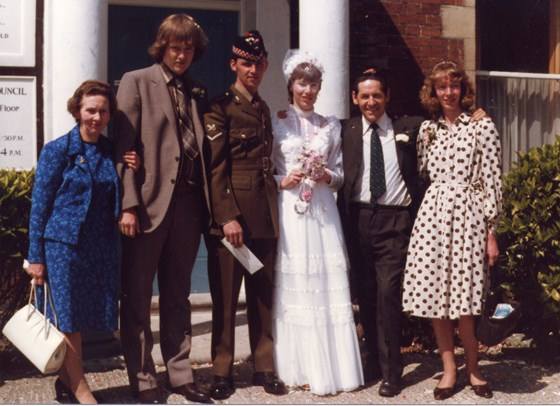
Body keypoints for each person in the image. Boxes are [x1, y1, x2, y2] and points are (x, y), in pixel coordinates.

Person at [112, 14, 212, 404]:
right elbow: (123, 149)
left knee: (177, 294)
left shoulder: (197, 89)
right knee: (137, 296)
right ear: (162, 47)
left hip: (188, 205)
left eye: (188, 48)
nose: (182, 54)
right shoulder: (137, 81)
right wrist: (130, 205)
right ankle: (142, 378)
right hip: (148, 205)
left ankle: (181, 373)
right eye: (175, 47)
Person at [27, 80, 139, 404]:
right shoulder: (57, 150)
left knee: (84, 316)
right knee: (69, 317)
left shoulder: (109, 151)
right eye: (91, 110)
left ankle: (65, 382)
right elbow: (40, 205)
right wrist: (36, 256)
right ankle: (79, 388)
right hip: (62, 246)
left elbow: (117, 192)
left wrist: (134, 166)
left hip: (98, 247)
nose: (97, 117)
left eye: (103, 111)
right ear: (77, 110)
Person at [402, 61, 502, 401]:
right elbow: (419, 173)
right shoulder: (427, 131)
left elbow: (492, 180)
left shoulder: (481, 126)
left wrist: (491, 231)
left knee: (467, 298)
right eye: (441, 87)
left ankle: (474, 368)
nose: (448, 92)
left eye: (454, 86)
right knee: (436, 298)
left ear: (463, 90)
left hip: (470, 217)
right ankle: (448, 370)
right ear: (433, 92)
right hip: (433, 218)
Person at [270, 50, 364, 395]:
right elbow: (268, 168)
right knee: (297, 279)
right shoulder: (276, 121)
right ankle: (297, 366)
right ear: (291, 85)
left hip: (322, 209)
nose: (307, 89)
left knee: (324, 280)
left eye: (313, 84)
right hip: (292, 206)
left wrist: (325, 174)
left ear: (320, 87)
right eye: (301, 82)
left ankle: (332, 368)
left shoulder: (331, 126)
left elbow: (341, 173)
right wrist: (284, 177)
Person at [204, 30, 286, 400]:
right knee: (225, 294)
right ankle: (221, 369)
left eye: (258, 63)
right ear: (233, 64)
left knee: (263, 294)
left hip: (264, 214)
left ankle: (263, 365)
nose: (253, 69)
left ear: (265, 65)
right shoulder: (220, 107)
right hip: (234, 218)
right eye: (246, 63)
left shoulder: (263, 108)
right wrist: (227, 217)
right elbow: (215, 168)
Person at [337, 68, 425, 398]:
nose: (370, 101)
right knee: (367, 292)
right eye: (364, 95)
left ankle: (392, 371)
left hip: (395, 220)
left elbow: (447, 125)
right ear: (354, 98)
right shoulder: (345, 130)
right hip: (358, 219)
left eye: (377, 95)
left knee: (388, 291)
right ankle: (372, 361)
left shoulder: (409, 128)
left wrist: (476, 113)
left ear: (386, 96)